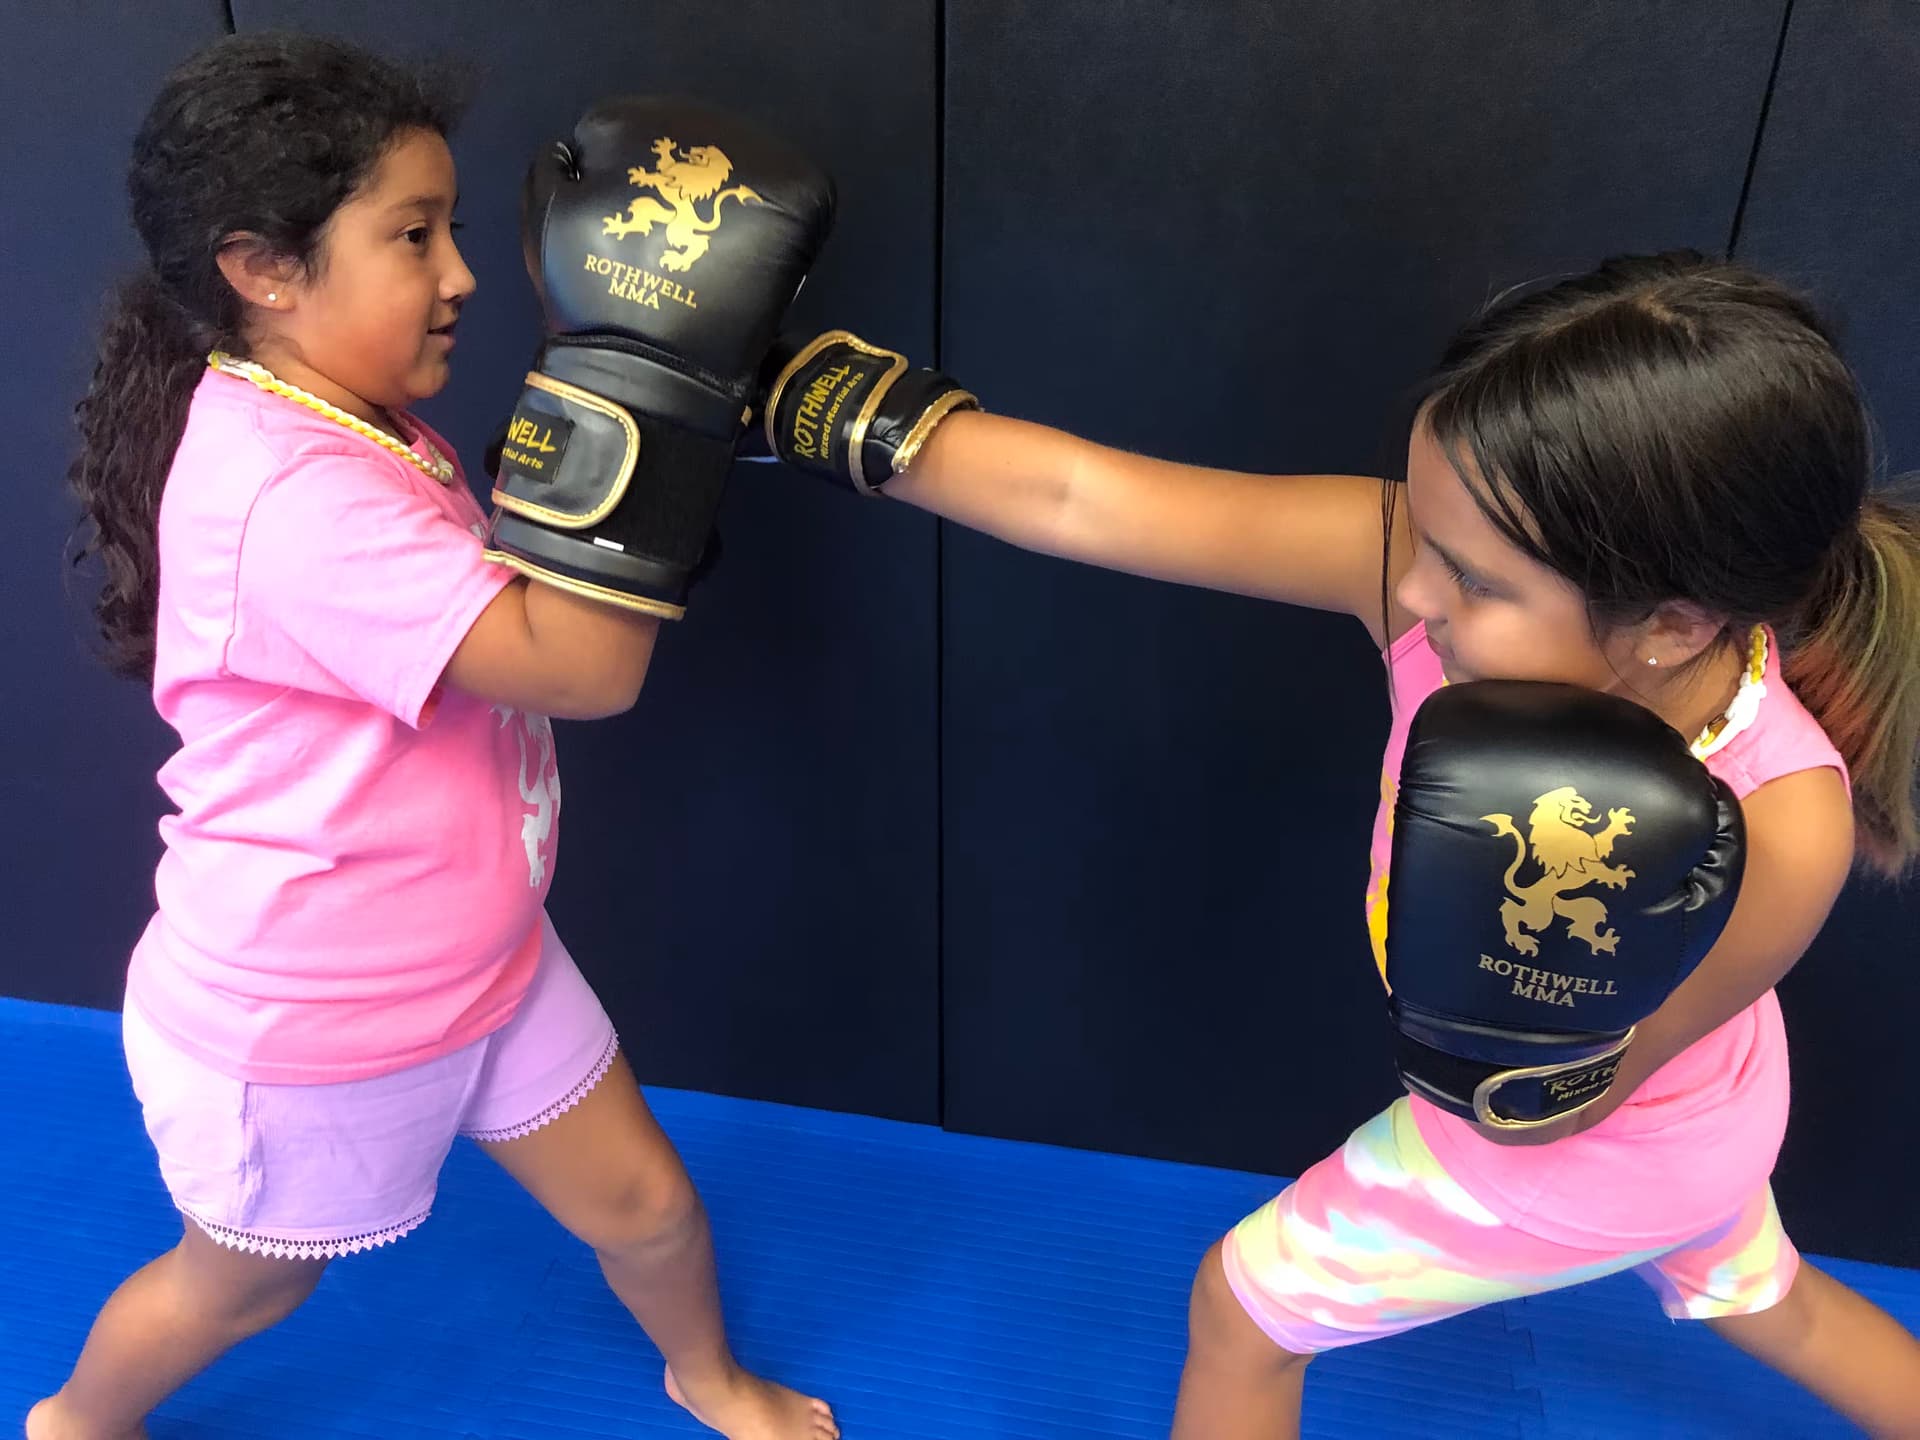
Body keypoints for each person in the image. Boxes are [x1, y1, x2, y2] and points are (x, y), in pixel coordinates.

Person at [754, 250, 1920, 1437]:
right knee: (1776, 1305)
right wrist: (801, 398)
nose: (1411, 590)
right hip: (1711, 1119)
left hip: (1604, 1144)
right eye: (1423, 530)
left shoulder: (1786, 819)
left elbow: (1565, 1101)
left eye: (1472, 580)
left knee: (1243, 1312)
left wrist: (1509, 1001)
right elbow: (1082, 499)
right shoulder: (1434, 567)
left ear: (1672, 624)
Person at [35, 32, 837, 1440]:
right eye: (414, 236)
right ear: (263, 269)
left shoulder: (344, 419)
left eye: (452, 228)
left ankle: (708, 1378)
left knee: (648, 1205)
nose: (462, 274)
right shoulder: (296, 499)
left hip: (483, 959)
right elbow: (581, 670)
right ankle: (71, 1426)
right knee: (244, 1290)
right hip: (313, 1013)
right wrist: (654, 378)